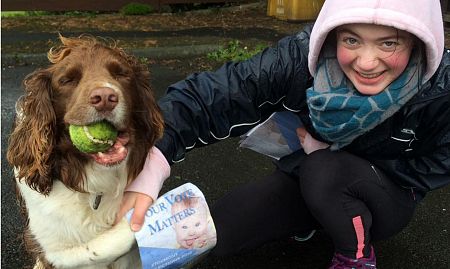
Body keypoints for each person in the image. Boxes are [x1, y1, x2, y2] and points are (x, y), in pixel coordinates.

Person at [117, 0, 450, 267]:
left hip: (387, 196)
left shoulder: (441, 86)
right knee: (218, 233)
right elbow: (208, 97)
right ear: (332, 34)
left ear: (420, 41)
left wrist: (330, 155)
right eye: (351, 39)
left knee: (325, 170)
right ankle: (315, 215)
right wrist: (154, 161)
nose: (366, 62)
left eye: (388, 43)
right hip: (306, 176)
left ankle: (357, 256)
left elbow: (441, 162)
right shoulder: (301, 58)